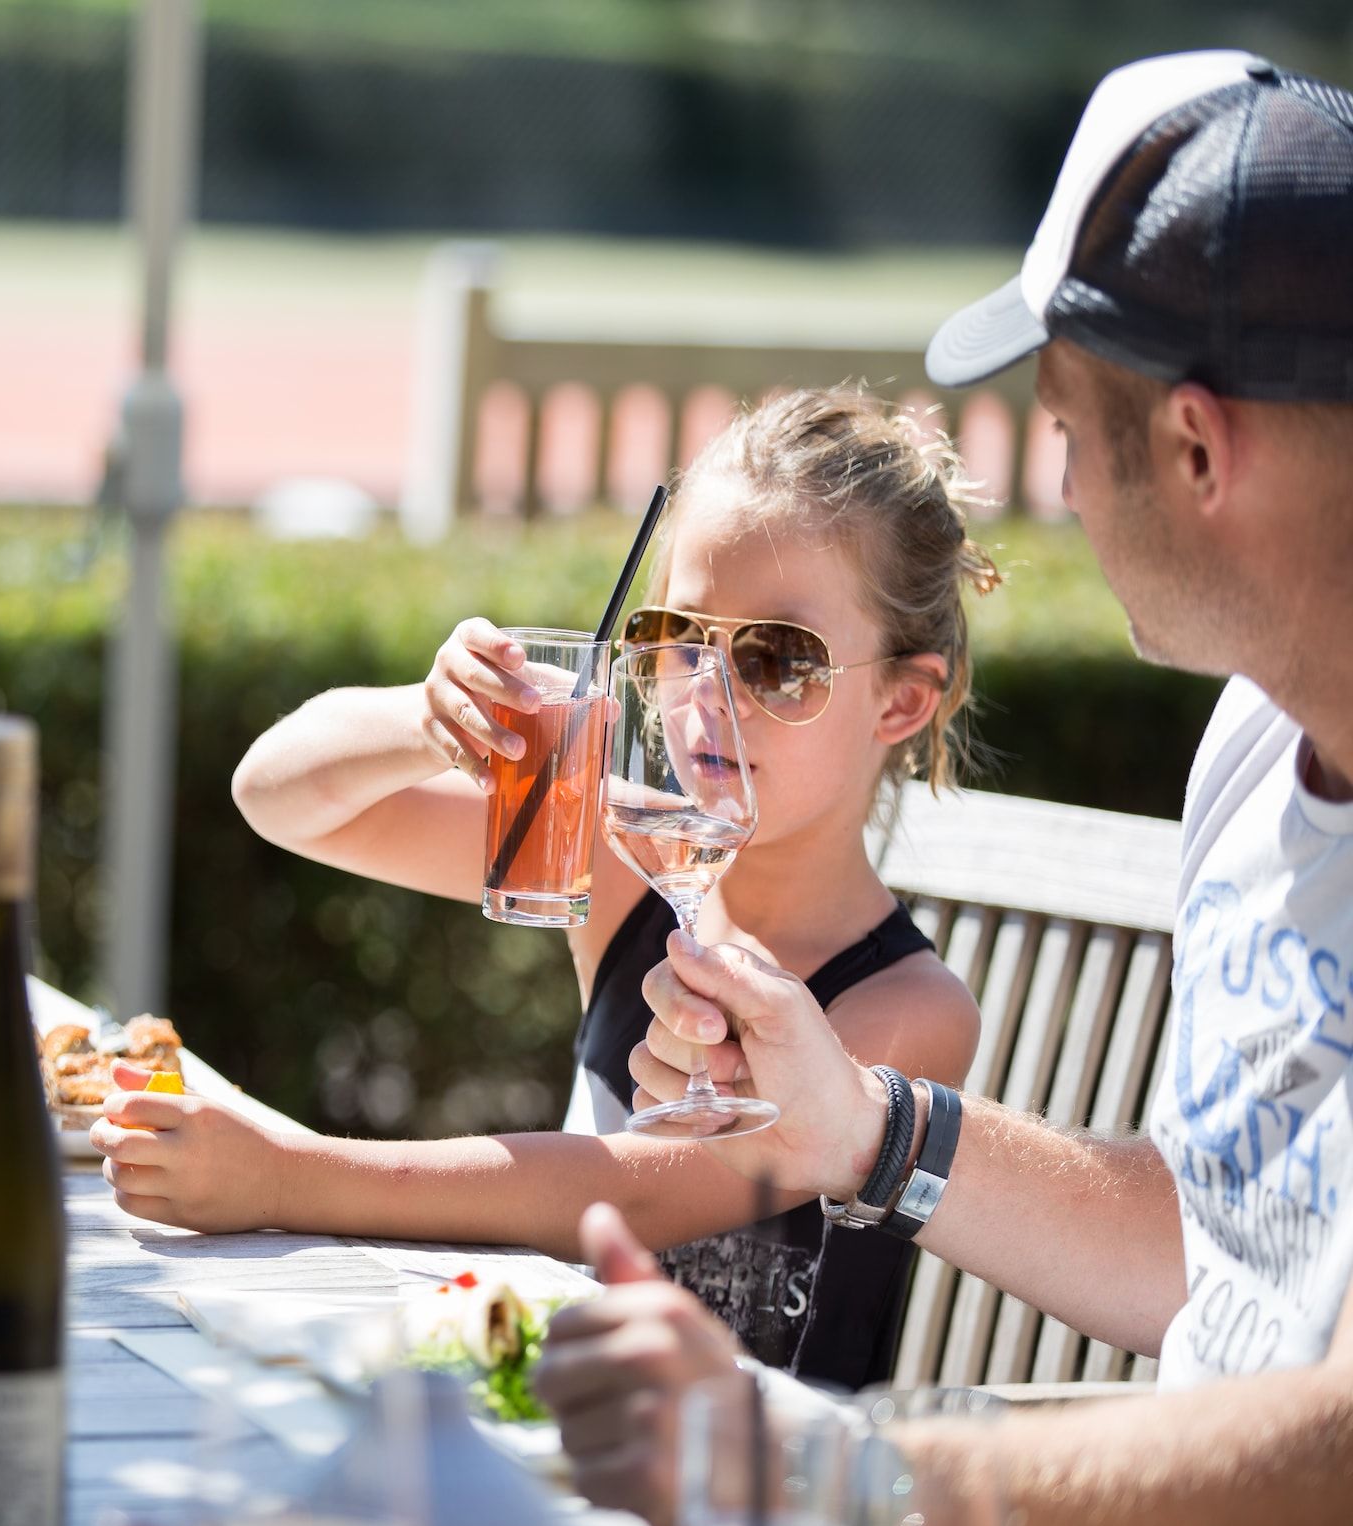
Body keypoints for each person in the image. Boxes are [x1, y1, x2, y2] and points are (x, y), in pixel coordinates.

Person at [535, 50, 1353, 1526]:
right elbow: (1204, 1249)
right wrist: (859, 1123)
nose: (1061, 495)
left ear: (1194, 445)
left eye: (1057, 429)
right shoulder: (1256, 741)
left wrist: (837, 1470)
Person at [94, 384, 990, 1389]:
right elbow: (278, 797)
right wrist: (424, 720)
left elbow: (637, 1195)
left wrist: (284, 1176)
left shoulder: (907, 1013)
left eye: (777, 659)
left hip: (758, 1480)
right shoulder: (621, 859)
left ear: (900, 701)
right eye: (676, 636)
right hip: (562, 1427)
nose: (705, 695)